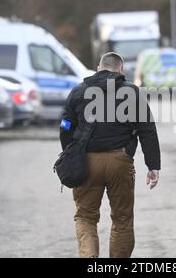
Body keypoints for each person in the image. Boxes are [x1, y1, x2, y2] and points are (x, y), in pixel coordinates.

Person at [60, 52, 161, 258]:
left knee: (86, 217)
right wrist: (153, 165)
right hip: (120, 161)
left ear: (99, 68)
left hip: (87, 163)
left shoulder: (79, 91)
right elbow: (147, 129)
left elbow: (65, 127)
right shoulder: (131, 92)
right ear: (120, 69)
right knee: (122, 219)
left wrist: (70, 154)